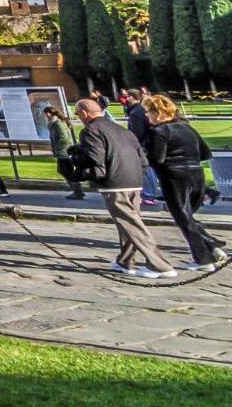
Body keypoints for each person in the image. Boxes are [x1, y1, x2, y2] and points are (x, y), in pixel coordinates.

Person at [73, 96, 178, 278]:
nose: (78, 117)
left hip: (114, 183)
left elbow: (95, 160)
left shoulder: (90, 130)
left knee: (131, 224)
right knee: (129, 223)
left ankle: (160, 265)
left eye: (77, 114)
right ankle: (126, 261)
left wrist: (77, 164)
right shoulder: (122, 130)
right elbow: (142, 159)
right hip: (134, 181)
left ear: (84, 113)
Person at [142, 96, 223, 268]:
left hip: (174, 177)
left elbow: (157, 158)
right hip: (196, 174)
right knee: (188, 216)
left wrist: (143, 155)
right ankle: (212, 246)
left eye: (148, 112)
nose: (146, 116)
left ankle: (203, 259)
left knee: (183, 218)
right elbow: (205, 153)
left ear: (157, 113)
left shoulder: (159, 132)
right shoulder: (187, 128)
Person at [43, 105, 85, 199]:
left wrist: (57, 148)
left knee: (66, 171)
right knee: (64, 170)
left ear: (49, 113)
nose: (45, 116)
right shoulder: (54, 122)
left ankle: (77, 191)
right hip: (63, 151)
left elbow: (64, 138)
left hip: (64, 151)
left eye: (45, 114)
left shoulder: (57, 123)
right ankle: (77, 190)